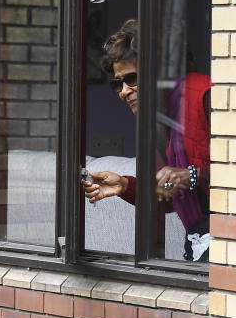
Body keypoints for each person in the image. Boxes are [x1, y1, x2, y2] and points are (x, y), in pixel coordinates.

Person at [82, 18, 212, 262]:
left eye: (132, 79)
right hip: (199, 242)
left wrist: (191, 175)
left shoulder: (206, 95)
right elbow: (168, 195)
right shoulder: (158, 116)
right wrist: (125, 185)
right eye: (117, 83)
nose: (123, 91)